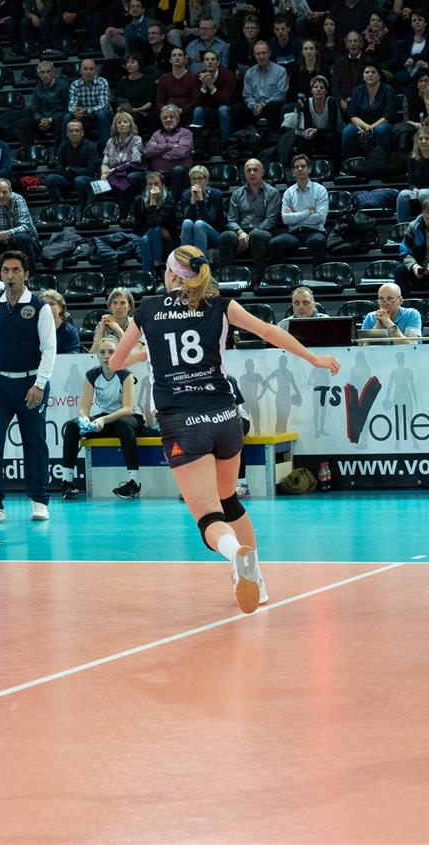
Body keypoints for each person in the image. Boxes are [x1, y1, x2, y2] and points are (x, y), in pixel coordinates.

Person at [109, 245, 340, 613]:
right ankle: (256, 580)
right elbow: (268, 331)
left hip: (183, 424)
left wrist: (146, 348)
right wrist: (314, 358)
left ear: (171, 274)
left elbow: (116, 362)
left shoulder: (148, 310)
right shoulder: (219, 304)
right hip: (225, 419)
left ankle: (235, 554)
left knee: (209, 517)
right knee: (228, 499)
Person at [0, 251, 56, 522]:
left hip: (31, 384)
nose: (11, 275)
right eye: (6, 270)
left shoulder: (40, 307)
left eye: (16, 270)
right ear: (0, 274)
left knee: (35, 443)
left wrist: (39, 384)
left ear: (26, 274)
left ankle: (40, 501)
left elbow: (49, 349)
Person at [59, 336, 142, 500]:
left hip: (129, 418)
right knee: (72, 426)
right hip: (106, 419)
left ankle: (134, 483)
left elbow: (127, 409)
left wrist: (103, 420)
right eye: (102, 352)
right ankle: (67, 481)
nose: (106, 356)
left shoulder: (126, 375)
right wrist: (84, 418)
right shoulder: (92, 375)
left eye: (111, 352)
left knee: (123, 424)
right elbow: (84, 408)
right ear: (97, 354)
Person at [216, 158, 281, 281]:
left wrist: (251, 234)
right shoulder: (237, 194)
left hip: (264, 232)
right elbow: (232, 220)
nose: (252, 173)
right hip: (242, 233)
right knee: (226, 236)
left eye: (255, 170)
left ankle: (260, 279)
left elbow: (270, 220)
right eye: (249, 170)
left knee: (256, 235)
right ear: (244, 174)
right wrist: (240, 232)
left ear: (262, 172)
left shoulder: (272, 193)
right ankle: (225, 278)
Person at [271, 153, 329, 267]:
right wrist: (307, 213)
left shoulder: (320, 190)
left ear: (309, 169)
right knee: (274, 243)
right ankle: (283, 274)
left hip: (314, 231)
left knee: (319, 241)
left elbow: (320, 217)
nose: (300, 169)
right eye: (296, 167)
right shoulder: (288, 193)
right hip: (294, 233)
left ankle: (318, 274)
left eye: (303, 166)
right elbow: (286, 219)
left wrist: (294, 215)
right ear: (293, 171)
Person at [342, 62, 397, 160]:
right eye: (367, 72)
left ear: (379, 76)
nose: (370, 74)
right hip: (362, 125)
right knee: (348, 131)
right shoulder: (357, 91)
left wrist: (370, 128)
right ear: (363, 76)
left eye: (373, 72)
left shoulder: (388, 90)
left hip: (382, 124)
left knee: (380, 130)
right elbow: (352, 115)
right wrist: (365, 126)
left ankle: (385, 161)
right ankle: (351, 163)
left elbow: (388, 116)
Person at [287, 74, 344, 170]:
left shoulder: (331, 102)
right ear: (311, 90)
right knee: (304, 139)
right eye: (315, 87)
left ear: (326, 91)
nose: (318, 90)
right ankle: (308, 168)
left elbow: (332, 127)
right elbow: (307, 126)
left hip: (331, 134)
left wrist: (315, 130)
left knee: (332, 136)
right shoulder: (307, 103)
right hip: (317, 135)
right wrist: (308, 133)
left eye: (321, 88)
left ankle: (336, 169)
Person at [0, 178, 40, 265]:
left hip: (26, 245)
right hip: (2, 246)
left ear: (10, 191)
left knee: (22, 237)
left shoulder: (18, 199)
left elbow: (26, 227)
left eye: (4, 192)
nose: (1, 196)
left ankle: (29, 273)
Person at [44, 119, 100, 212]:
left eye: (77, 130)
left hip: (86, 180)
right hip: (68, 179)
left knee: (79, 180)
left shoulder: (90, 147)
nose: (74, 133)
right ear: (67, 133)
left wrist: (71, 169)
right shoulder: (63, 146)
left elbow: (90, 171)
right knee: (51, 179)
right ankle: (58, 209)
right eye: (71, 131)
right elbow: (58, 168)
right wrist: (73, 171)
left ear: (82, 133)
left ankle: (84, 211)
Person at [99, 111, 146, 221]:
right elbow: (105, 163)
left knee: (122, 183)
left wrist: (114, 169)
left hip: (131, 171)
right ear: (115, 126)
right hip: (113, 173)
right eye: (119, 122)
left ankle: (124, 217)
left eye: (125, 122)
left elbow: (135, 161)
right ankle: (89, 215)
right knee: (97, 186)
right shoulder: (110, 141)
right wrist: (104, 173)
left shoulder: (136, 139)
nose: (122, 124)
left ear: (131, 124)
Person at [398, 124, 429, 222]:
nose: (423, 141)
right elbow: (411, 182)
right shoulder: (412, 157)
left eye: (427, 138)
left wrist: (421, 191)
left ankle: (423, 224)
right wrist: (414, 189)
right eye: (420, 139)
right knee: (402, 195)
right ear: (417, 141)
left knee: (423, 193)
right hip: (417, 192)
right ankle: (402, 227)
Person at [130, 171, 177, 273]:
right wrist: (160, 229)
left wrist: (152, 202)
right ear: (146, 187)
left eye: (156, 184)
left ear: (163, 186)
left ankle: (148, 276)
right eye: (150, 184)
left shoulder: (169, 201)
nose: (153, 187)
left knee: (151, 233)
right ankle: (157, 267)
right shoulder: (139, 201)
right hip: (146, 238)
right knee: (147, 238)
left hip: (167, 241)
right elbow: (137, 228)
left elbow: (154, 222)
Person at [186, 49, 237, 143]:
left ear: (218, 63)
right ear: (203, 64)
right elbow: (196, 103)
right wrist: (204, 86)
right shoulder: (197, 77)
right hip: (208, 109)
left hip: (226, 109)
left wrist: (210, 85)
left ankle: (226, 143)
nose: (210, 62)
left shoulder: (228, 75)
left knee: (223, 109)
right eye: (207, 60)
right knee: (198, 110)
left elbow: (225, 100)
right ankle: (198, 144)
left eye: (213, 59)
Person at [178, 164, 226, 253]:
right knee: (187, 222)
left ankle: (200, 260)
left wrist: (200, 200)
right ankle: (186, 258)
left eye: (200, 178)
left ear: (207, 180)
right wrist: (192, 201)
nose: (196, 182)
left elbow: (210, 220)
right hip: (193, 235)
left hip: (214, 234)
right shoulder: (186, 195)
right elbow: (187, 218)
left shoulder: (216, 194)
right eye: (193, 179)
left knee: (199, 224)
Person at [242, 41, 288, 132]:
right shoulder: (250, 73)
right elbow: (247, 94)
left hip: (272, 105)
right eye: (258, 54)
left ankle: (273, 137)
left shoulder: (281, 71)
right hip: (255, 107)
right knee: (237, 109)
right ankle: (242, 137)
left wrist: (264, 104)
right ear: (254, 55)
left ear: (269, 53)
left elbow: (281, 94)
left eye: (264, 53)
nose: (261, 56)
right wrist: (254, 105)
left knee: (271, 107)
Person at [21, 59, 69, 147]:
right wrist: (41, 119)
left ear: (53, 73)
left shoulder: (64, 86)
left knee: (60, 121)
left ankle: (58, 152)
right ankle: (28, 151)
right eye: (42, 72)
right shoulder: (37, 89)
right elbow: (34, 109)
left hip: (57, 120)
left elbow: (67, 109)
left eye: (48, 72)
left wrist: (50, 120)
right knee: (24, 122)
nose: (45, 75)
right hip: (42, 121)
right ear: (39, 75)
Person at [66, 58, 113, 143]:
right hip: (84, 117)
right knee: (67, 116)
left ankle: (105, 147)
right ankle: (65, 147)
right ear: (80, 71)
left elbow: (104, 105)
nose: (88, 72)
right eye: (85, 69)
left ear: (96, 71)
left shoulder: (102, 82)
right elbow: (71, 105)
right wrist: (75, 112)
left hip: (101, 116)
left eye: (91, 69)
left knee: (101, 113)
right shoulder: (75, 84)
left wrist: (86, 110)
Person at [39, 289, 83, 353]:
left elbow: (73, 356)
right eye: (44, 304)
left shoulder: (70, 331)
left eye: (51, 304)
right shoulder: (35, 329)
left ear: (61, 308)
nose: (47, 307)